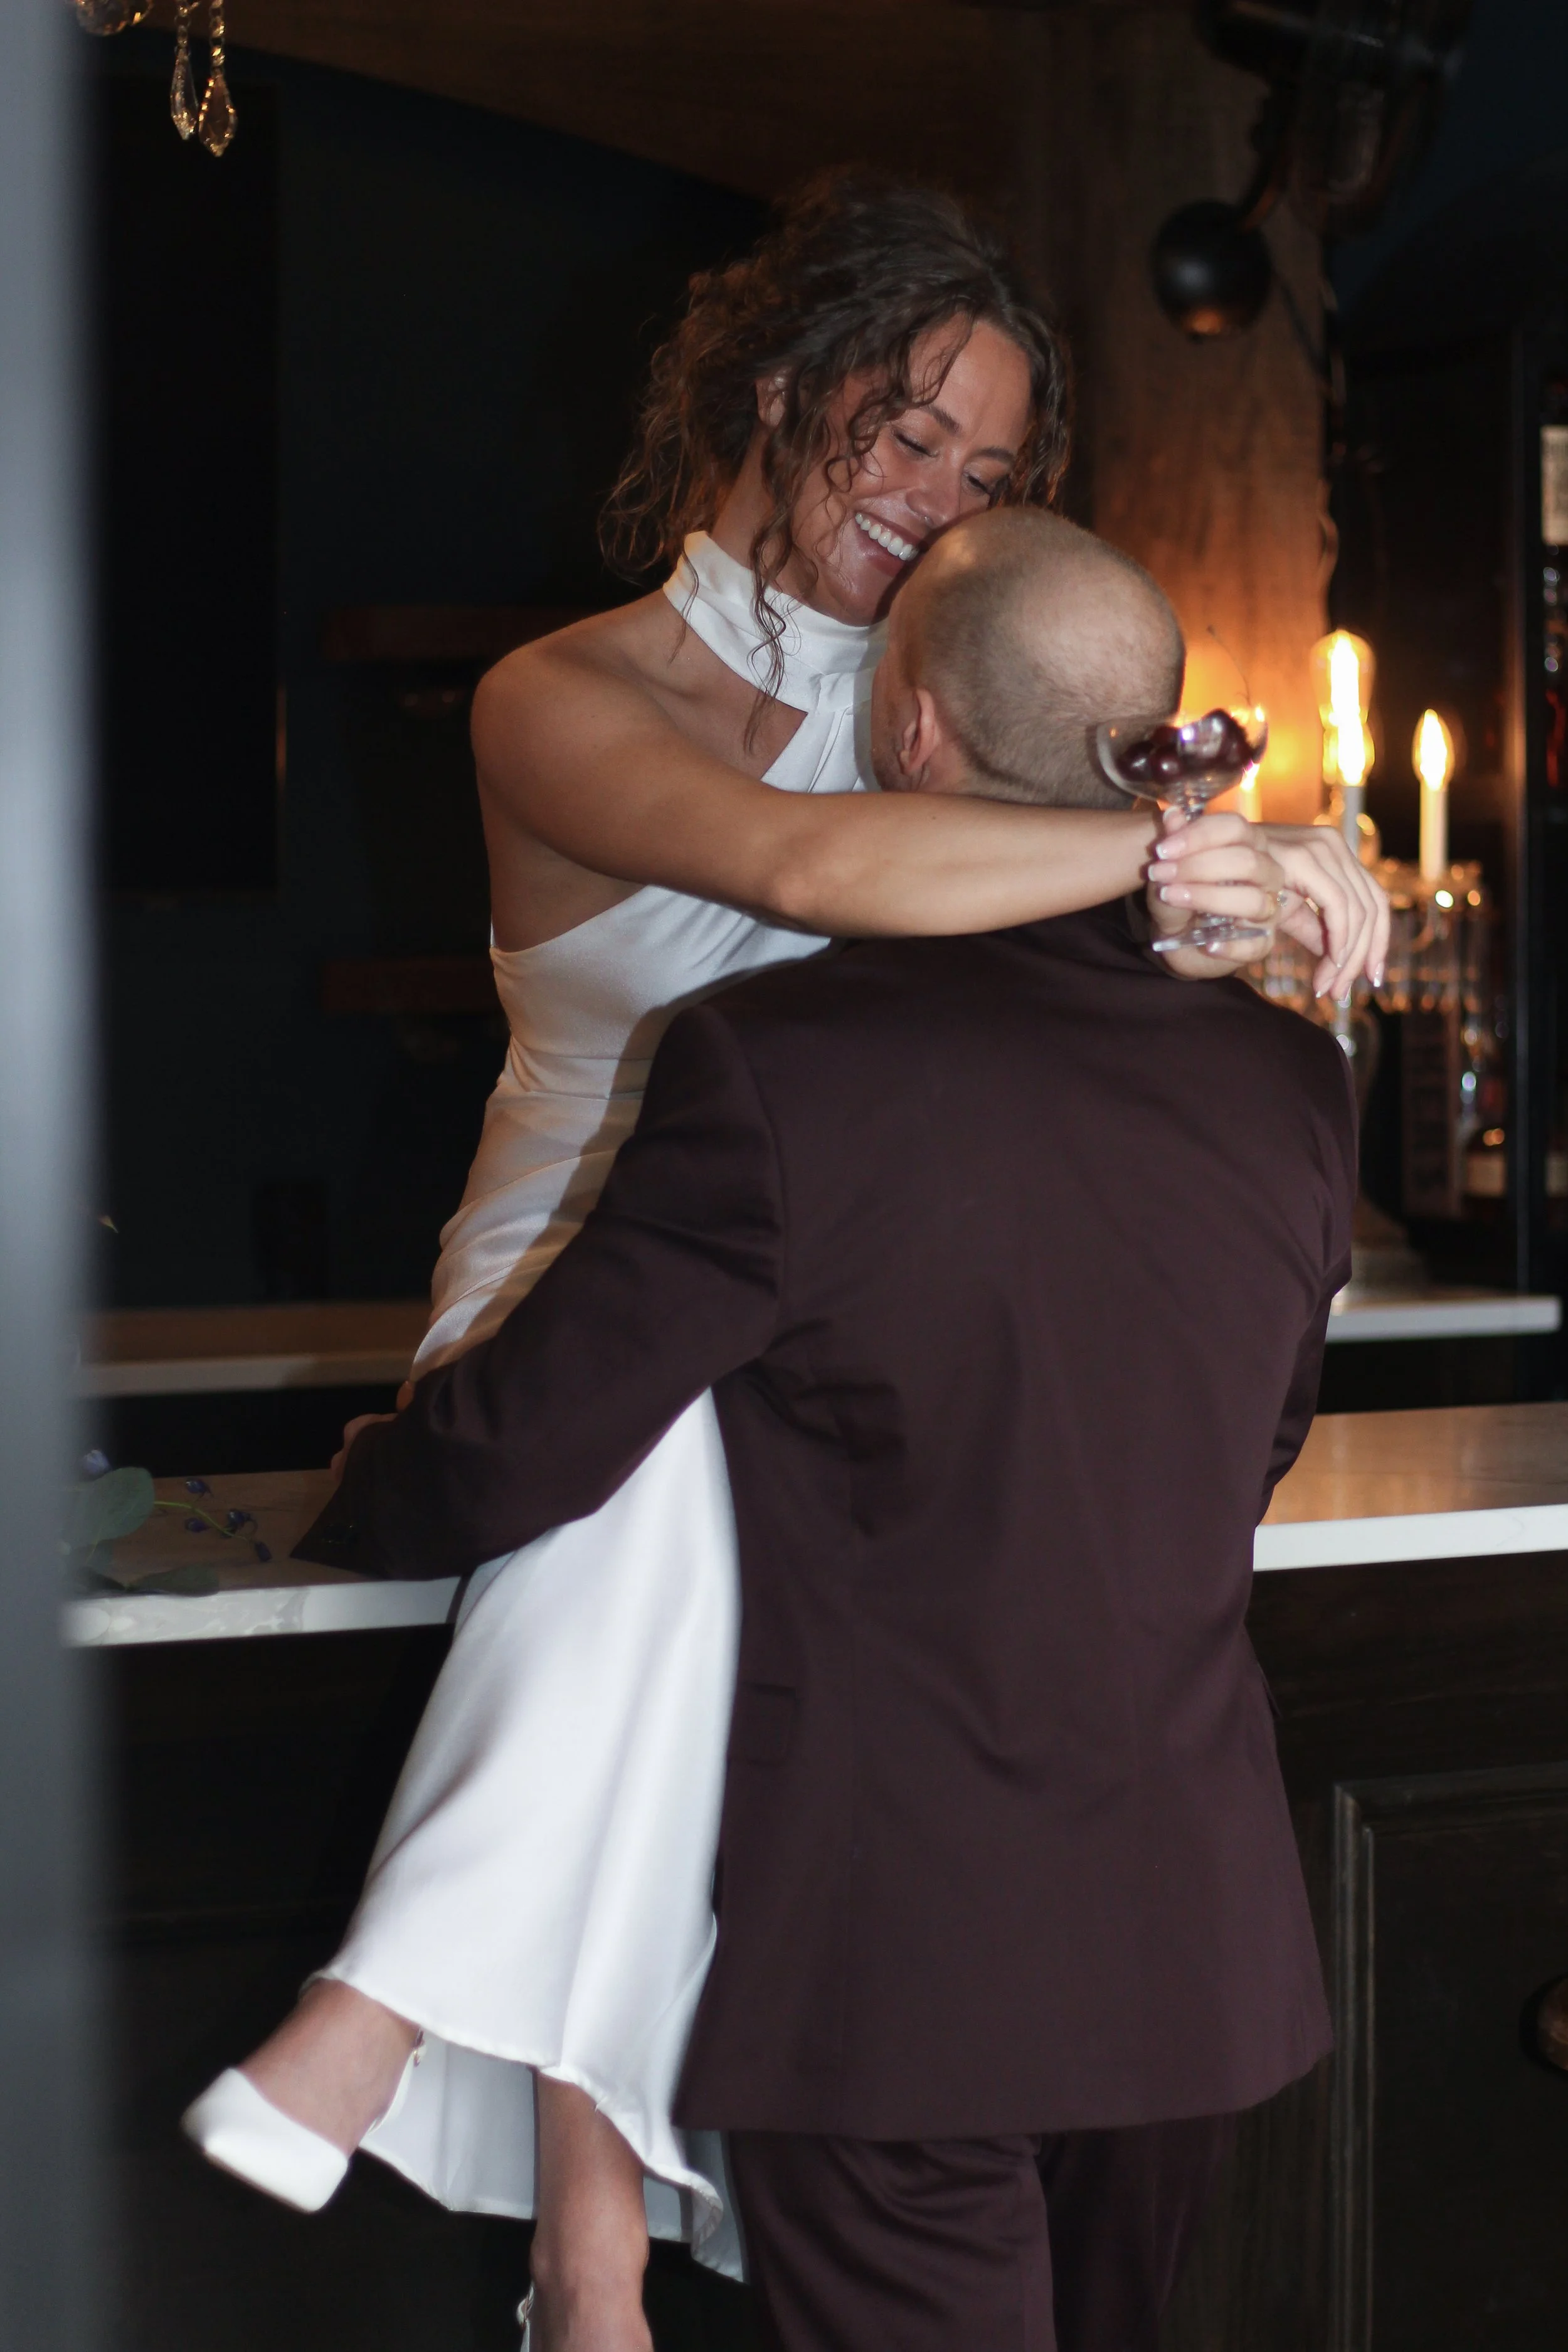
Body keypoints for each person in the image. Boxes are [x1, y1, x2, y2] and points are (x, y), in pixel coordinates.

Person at [183, 175, 1384, 2350]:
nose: (935, 502)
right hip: (567, 1262)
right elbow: (807, 866)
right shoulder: (564, 692)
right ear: (780, 393)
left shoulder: (957, 700)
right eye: (905, 436)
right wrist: (1196, 843)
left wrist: (1218, 908)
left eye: (988, 473)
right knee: (633, 1443)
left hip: (774, 1313)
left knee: (714, 1428)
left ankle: (470, 2120)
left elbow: (1067, 1006)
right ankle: (581, 2231)